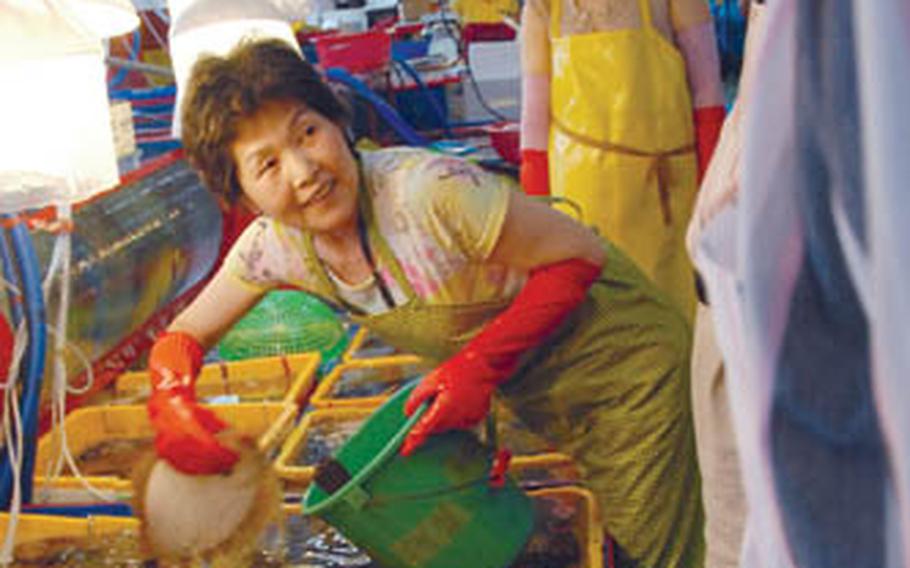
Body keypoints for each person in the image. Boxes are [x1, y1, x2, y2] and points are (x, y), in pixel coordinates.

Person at [147, 39, 703, 567]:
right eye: (267, 164)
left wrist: (478, 364)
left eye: (308, 132)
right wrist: (171, 399)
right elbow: (183, 337)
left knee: (664, 549)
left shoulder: (428, 192)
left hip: (629, 369)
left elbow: (580, 254)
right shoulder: (275, 247)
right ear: (240, 197)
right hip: (549, 393)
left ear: (339, 123)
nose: (304, 170)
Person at [518, 0, 725, 321]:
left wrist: (714, 188)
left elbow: (708, 95)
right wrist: (536, 219)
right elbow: (534, 119)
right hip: (579, 204)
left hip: (665, 203)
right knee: (599, 327)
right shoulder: (542, 7)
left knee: (673, 320)